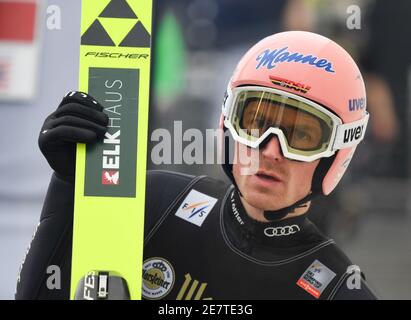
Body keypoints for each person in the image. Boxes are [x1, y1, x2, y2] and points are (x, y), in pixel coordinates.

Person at [16, 31, 377, 300]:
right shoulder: (154, 201)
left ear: (336, 153)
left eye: (300, 136)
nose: (269, 150)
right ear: (227, 122)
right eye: (254, 122)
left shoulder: (341, 290)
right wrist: (67, 185)